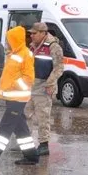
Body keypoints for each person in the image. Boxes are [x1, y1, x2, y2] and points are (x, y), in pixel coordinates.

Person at [0, 26, 38, 167]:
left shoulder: (25, 54)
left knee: (4, 128)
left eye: (8, 39)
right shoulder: (14, 54)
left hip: (17, 99)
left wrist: (13, 84)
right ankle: (31, 156)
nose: (7, 42)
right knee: (20, 129)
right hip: (13, 98)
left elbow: (29, 78)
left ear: (15, 39)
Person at [25, 22, 64, 155]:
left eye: (34, 33)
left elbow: (58, 67)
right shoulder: (32, 46)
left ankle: (43, 144)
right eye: (31, 33)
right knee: (25, 114)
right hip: (31, 85)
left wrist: (50, 84)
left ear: (43, 33)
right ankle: (26, 143)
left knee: (43, 117)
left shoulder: (54, 47)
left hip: (43, 86)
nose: (31, 36)